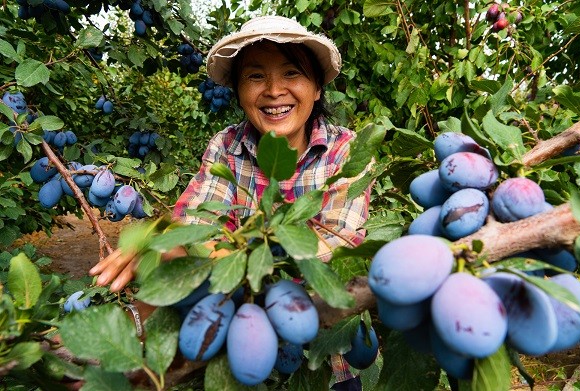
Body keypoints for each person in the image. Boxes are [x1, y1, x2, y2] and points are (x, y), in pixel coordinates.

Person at [90, 15, 370, 390]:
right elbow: (198, 221)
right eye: (255, 76)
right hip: (232, 340)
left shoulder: (344, 150)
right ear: (238, 90)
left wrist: (216, 257)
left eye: (291, 73)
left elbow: (339, 245)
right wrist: (169, 242)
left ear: (317, 88)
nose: (273, 90)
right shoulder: (227, 146)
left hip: (322, 352)